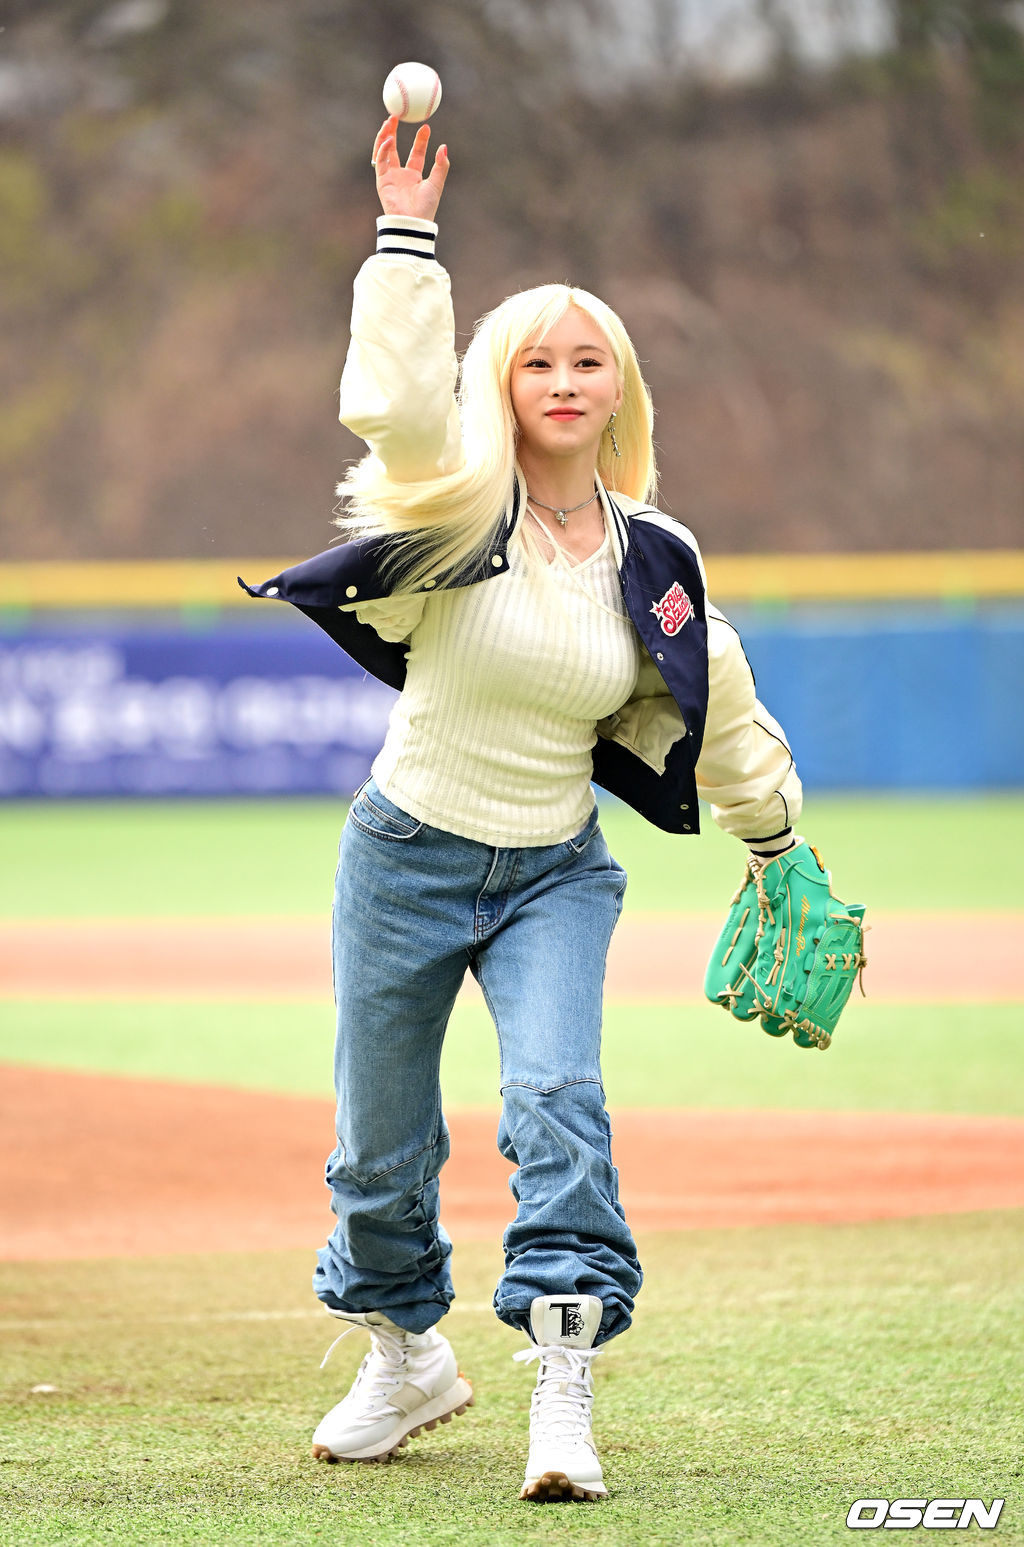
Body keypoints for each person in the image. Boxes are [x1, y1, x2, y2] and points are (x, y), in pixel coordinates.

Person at [242, 115, 803, 1503]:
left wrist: (778, 847)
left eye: (586, 360)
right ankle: (406, 1356)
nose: (562, 379)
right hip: (403, 859)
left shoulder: (656, 555)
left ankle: (564, 1378)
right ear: (502, 382)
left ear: (621, 391)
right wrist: (406, 240)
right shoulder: (452, 508)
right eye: (537, 360)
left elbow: (720, 700)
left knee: (558, 1101)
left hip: (556, 870)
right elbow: (393, 406)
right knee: (380, 1153)